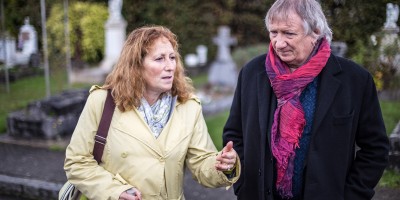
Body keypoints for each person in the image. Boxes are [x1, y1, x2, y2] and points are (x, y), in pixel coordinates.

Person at [222, 0, 389, 199]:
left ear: (316, 31)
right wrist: (244, 186)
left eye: (289, 33)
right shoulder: (252, 73)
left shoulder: (354, 80)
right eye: (273, 32)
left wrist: (352, 195)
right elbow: (234, 134)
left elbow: (375, 149)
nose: (279, 43)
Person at [64, 25, 240, 200]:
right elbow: (77, 162)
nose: (170, 66)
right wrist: (114, 191)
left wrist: (221, 166)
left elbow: (201, 162)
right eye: (159, 59)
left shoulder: (188, 107)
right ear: (136, 64)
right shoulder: (103, 102)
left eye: (172, 57)